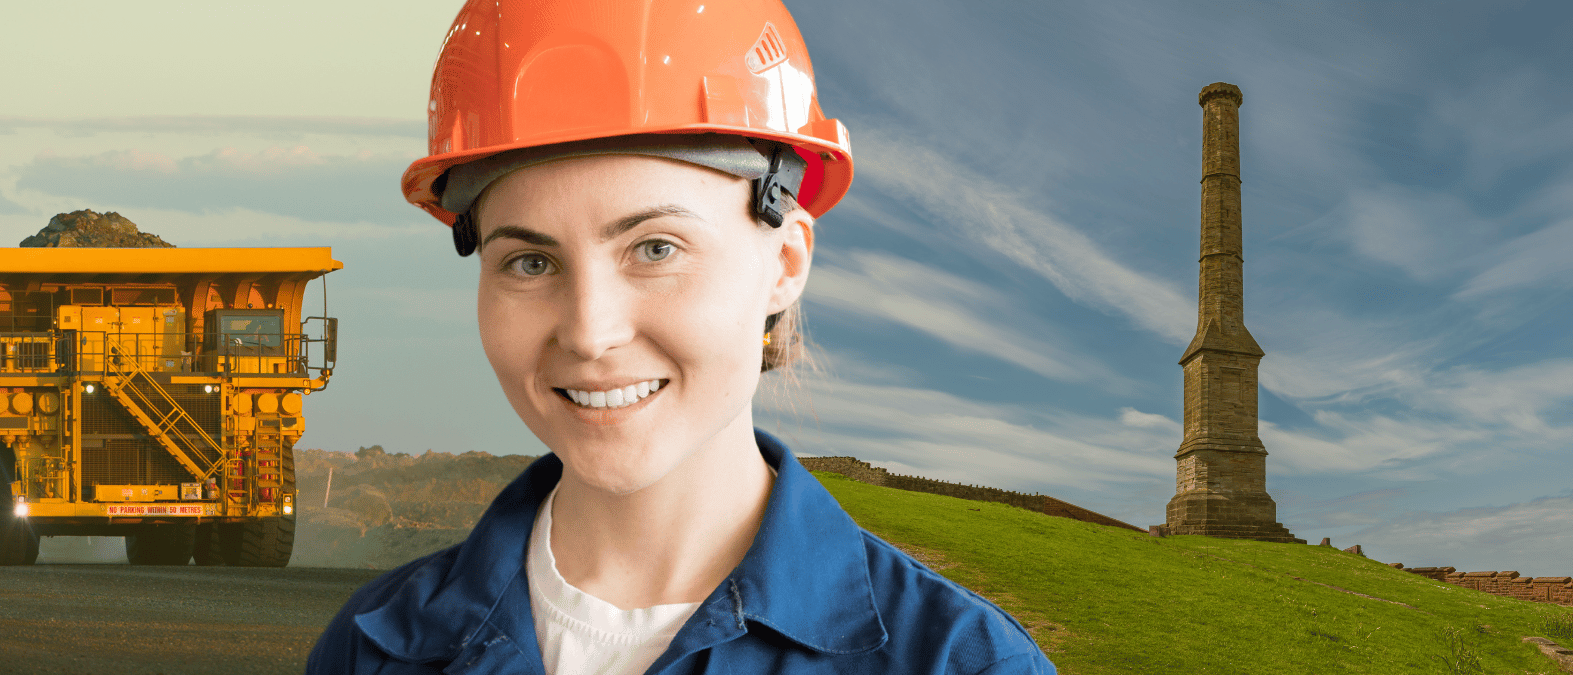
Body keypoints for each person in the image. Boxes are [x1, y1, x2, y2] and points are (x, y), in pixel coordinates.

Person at [307, 0, 1057, 673]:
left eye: (655, 248)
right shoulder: (372, 648)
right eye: (530, 261)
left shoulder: (958, 661)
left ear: (785, 262)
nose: (590, 331)